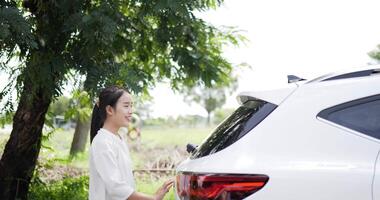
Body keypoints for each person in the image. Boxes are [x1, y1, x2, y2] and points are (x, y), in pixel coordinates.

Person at [89, 86, 173, 200]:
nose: (131, 111)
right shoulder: (102, 142)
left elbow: (124, 184)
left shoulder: (118, 138)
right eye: (126, 106)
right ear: (109, 110)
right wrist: (152, 198)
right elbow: (115, 187)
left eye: (131, 106)